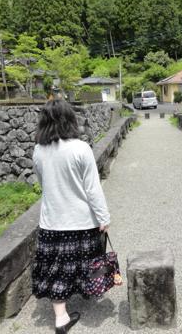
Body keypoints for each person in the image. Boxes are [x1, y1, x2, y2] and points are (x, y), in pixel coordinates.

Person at [32, 99, 110, 334]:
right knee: (83, 263)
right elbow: (93, 189)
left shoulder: (39, 150)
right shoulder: (80, 148)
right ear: (70, 119)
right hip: (81, 220)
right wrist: (103, 216)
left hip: (52, 221)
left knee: (55, 268)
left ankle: (60, 318)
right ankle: (86, 294)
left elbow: (42, 182)